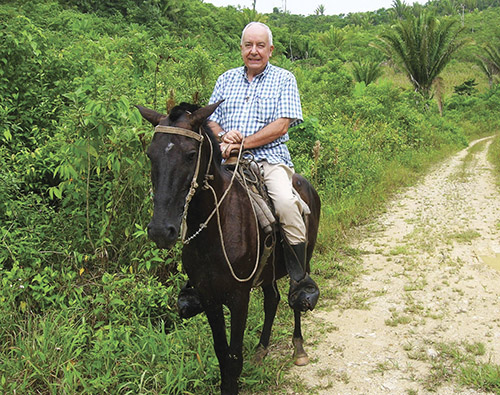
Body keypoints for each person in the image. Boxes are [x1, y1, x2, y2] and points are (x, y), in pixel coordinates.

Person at [207, 21, 319, 312]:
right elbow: (210, 119)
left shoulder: (284, 79)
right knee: (193, 197)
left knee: (285, 202)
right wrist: (222, 135)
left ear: (271, 50)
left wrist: (244, 144)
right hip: (226, 160)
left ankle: (299, 278)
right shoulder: (225, 79)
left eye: (260, 46)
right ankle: (194, 281)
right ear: (241, 48)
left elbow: (282, 126)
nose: (254, 51)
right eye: (248, 45)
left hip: (269, 160)